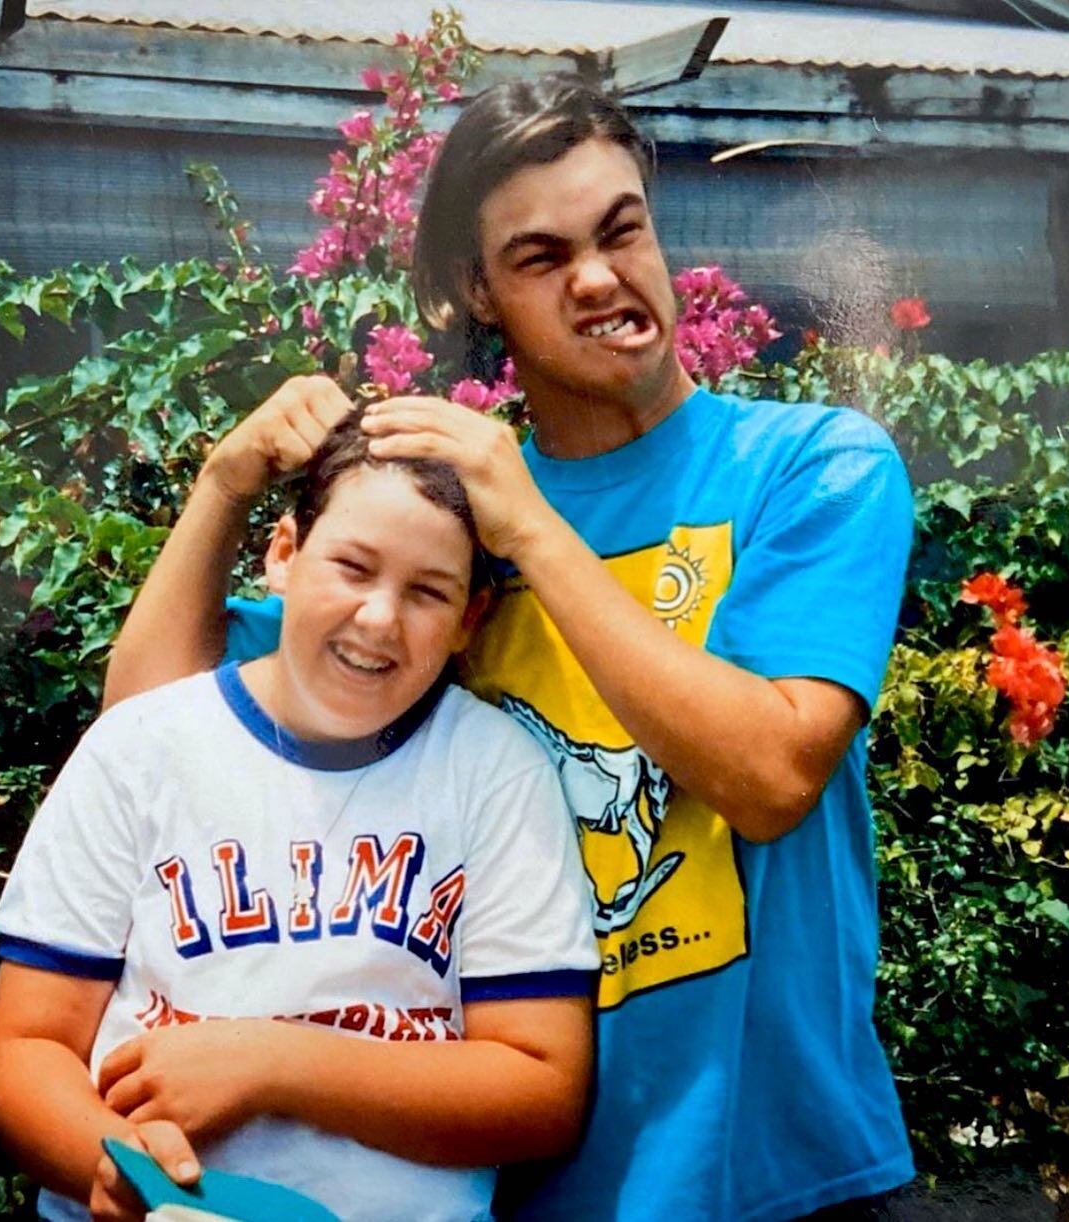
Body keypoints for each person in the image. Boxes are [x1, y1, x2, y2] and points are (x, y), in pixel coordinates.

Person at [103, 76, 916, 1221]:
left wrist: (527, 520)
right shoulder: (439, 527)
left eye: (621, 230)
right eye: (541, 257)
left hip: (780, 1175)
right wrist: (224, 485)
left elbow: (771, 774)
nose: (598, 277)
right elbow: (147, 732)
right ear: (470, 290)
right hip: (518, 1188)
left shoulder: (813, 465)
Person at [0, 412, 599, 1222]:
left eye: (427, 592)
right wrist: (110, 1168)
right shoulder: (140, 746)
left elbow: (543, 1088)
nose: (379, 618)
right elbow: (28, 1046)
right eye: (352, 566)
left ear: (470, 619)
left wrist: (275, 1064)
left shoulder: (492, 770)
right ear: (283, 553)